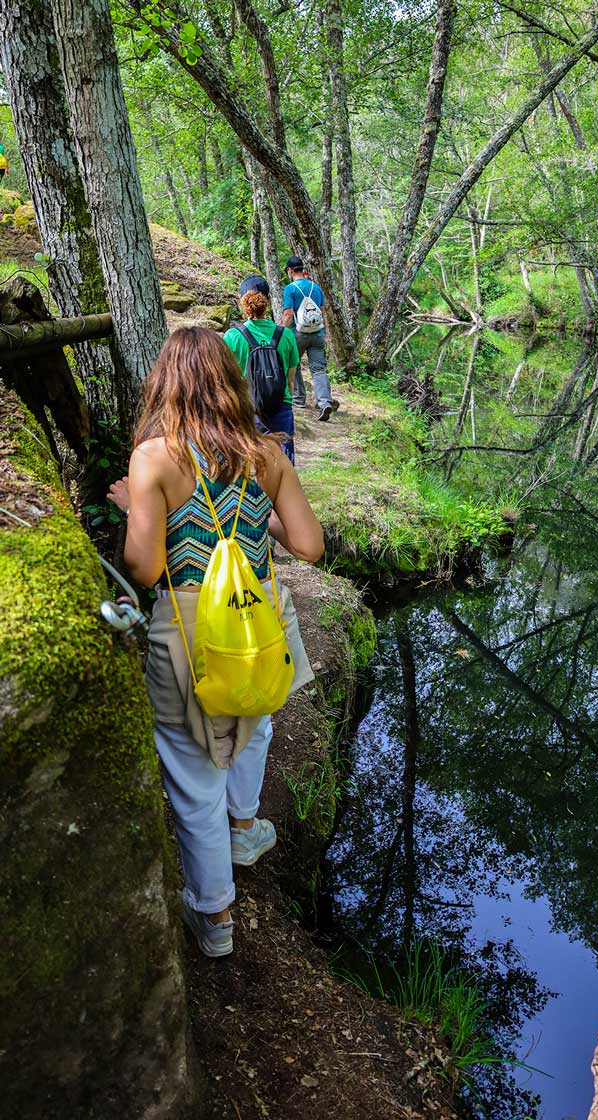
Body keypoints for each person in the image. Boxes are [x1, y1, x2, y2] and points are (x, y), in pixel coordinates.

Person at [107, 327, 324, 958]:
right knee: (253, 721)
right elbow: (309, 545)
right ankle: (245, 830)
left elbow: (144, 570)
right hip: (258, 623)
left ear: (165, 383)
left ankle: (217, 917)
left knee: (193, 779)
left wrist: (133, 510)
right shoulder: (267, 454)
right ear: (231, 382)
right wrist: (256, 515)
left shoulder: (152, 459)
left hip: (190, 629)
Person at [224, 274, 299, 463]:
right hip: (281, 408)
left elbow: (226, 382)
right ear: (268, 301)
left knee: (250, 465)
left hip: (247, 410)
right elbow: (290, 382)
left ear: (242, 302)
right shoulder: (286, 335)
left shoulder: (232, 336)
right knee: (284, 465)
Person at [283, 256, 335, 422]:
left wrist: (283, 335)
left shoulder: (290, 289)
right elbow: (323, 311)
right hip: (317, 333)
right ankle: (325, 401)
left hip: (298, 334)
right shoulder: (316, 287)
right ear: (302, 269)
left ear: (290, 270)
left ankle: (299, 399)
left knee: (294, 364)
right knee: (319, 369)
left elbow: (288, 315)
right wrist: (325, 332)